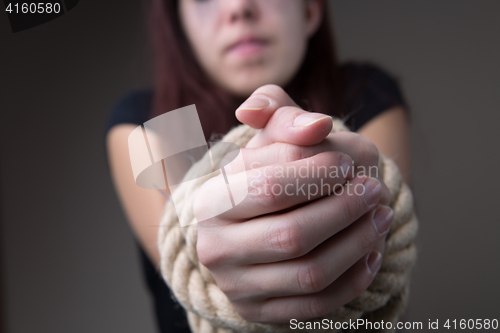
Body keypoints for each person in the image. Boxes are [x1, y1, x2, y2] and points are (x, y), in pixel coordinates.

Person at [105, 0, 410, 331]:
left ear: (309, 11)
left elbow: (381, 233)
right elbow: (196, 264)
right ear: (182, 26)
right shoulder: (145, 124)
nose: (238, 7)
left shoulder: (368, 93)